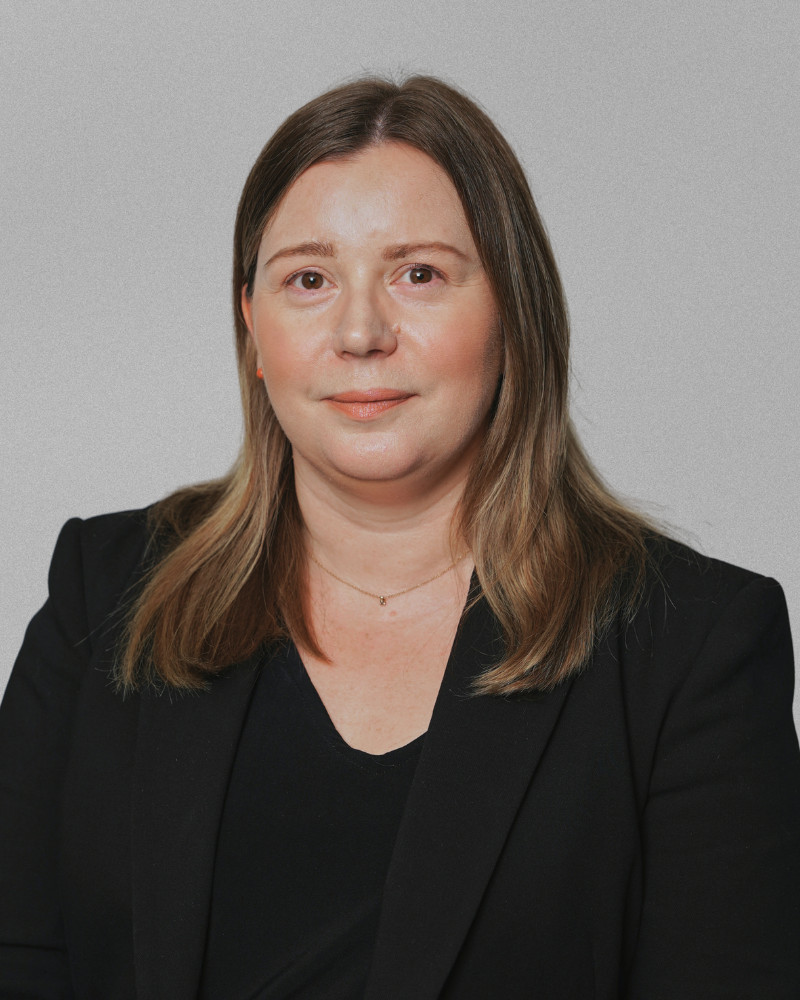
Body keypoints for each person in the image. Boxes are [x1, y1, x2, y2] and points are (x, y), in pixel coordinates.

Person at [1, 74, 798, 1000]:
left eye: (419, 274)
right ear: (252, 325)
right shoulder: (104, 596)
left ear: (513, 310)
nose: (360, 331)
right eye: (308, 279)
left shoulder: (693, 645)